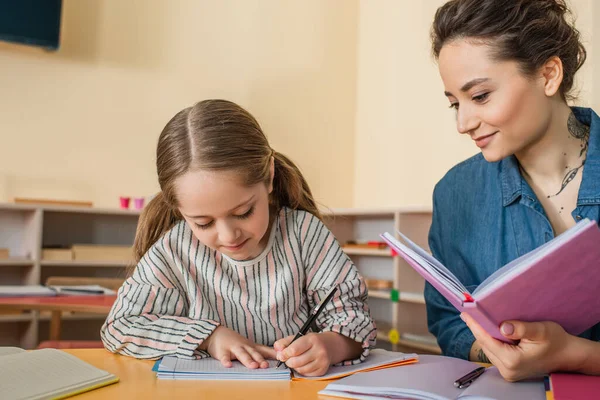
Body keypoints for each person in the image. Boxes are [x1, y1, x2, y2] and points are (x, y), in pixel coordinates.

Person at [100, 99, 376, 377]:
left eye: (243, 212)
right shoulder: (175, 249)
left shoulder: (304, 234)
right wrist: (208, 336)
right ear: (180, 210)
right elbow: (119, 327)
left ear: (268, 177)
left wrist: (332, 345)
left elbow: (355, 318)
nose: (228, 235)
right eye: (203, 223)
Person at [426, 0, 600, 381]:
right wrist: (494, 350)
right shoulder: (455, 194)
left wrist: (578, 355)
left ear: (548, 75)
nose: (464, 122)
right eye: (455, 103)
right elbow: (447, 321)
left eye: (481, 96)